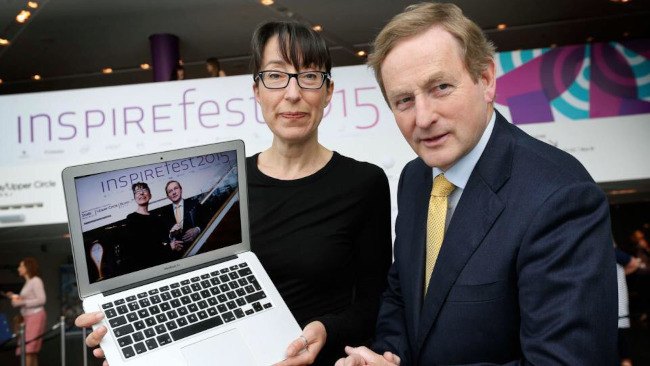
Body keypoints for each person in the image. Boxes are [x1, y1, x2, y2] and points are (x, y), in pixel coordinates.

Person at [76, 20, 392, 366]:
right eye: (275, 75)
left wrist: (326, 329)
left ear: (328, 91)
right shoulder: (230, 186)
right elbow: (189, 291)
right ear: (257, 91)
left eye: (309, 76)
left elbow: (373, 304)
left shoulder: (364, 183)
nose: (292, 93)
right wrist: (130, 335)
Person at [337, 2, 617, 365]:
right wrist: (386, 357)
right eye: (403, 100)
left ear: (485, 80)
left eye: (440, 87)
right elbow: (403, 295)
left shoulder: (560, 196)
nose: (423, 118)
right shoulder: (415, 178)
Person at [122, 182, 180, 273]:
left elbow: (161, 241)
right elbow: (140, 252)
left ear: (150, 195)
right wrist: (169, 247)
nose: (141, 193)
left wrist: (171, 235)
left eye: (144, 190)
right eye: (137, 192)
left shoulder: (156, 217)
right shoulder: (131, 219)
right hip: (150, 270)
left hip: (166, 265)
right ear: (135, 198)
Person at [7, 257, 47, 366]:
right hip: (29, 317)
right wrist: (16, 297)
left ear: (27, 267)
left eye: (21, 266)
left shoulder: (35, 281)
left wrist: (21, 302)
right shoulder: (28, 282)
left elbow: (42, 300)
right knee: (30, 351)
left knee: (28, 349)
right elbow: (27, 299)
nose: (18, 268)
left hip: (35, 316)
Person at [161, 180, 203, 252]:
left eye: (176, 188)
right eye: (170, 191)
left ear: (181, 190)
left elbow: (207, 220)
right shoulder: (164, 213)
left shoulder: (194, 204)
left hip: (199, 246)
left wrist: (197, 229)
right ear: (168, 196)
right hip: (179, 253)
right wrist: (171, 237)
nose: (174, 192)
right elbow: (163, 237)